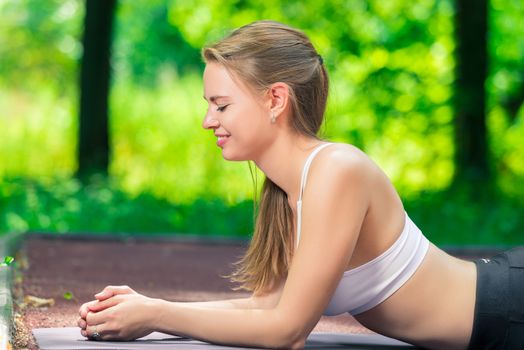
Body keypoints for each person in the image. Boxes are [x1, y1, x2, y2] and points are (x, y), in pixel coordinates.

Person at [77, 20, 524, 350]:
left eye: (221, 105)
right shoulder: (287, 192)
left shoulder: (337, 170)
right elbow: (265, 308)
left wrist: (157, 314)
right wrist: (147, 309)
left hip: (510, 311)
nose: (207, 121)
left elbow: (287, 332)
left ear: (275, 99)